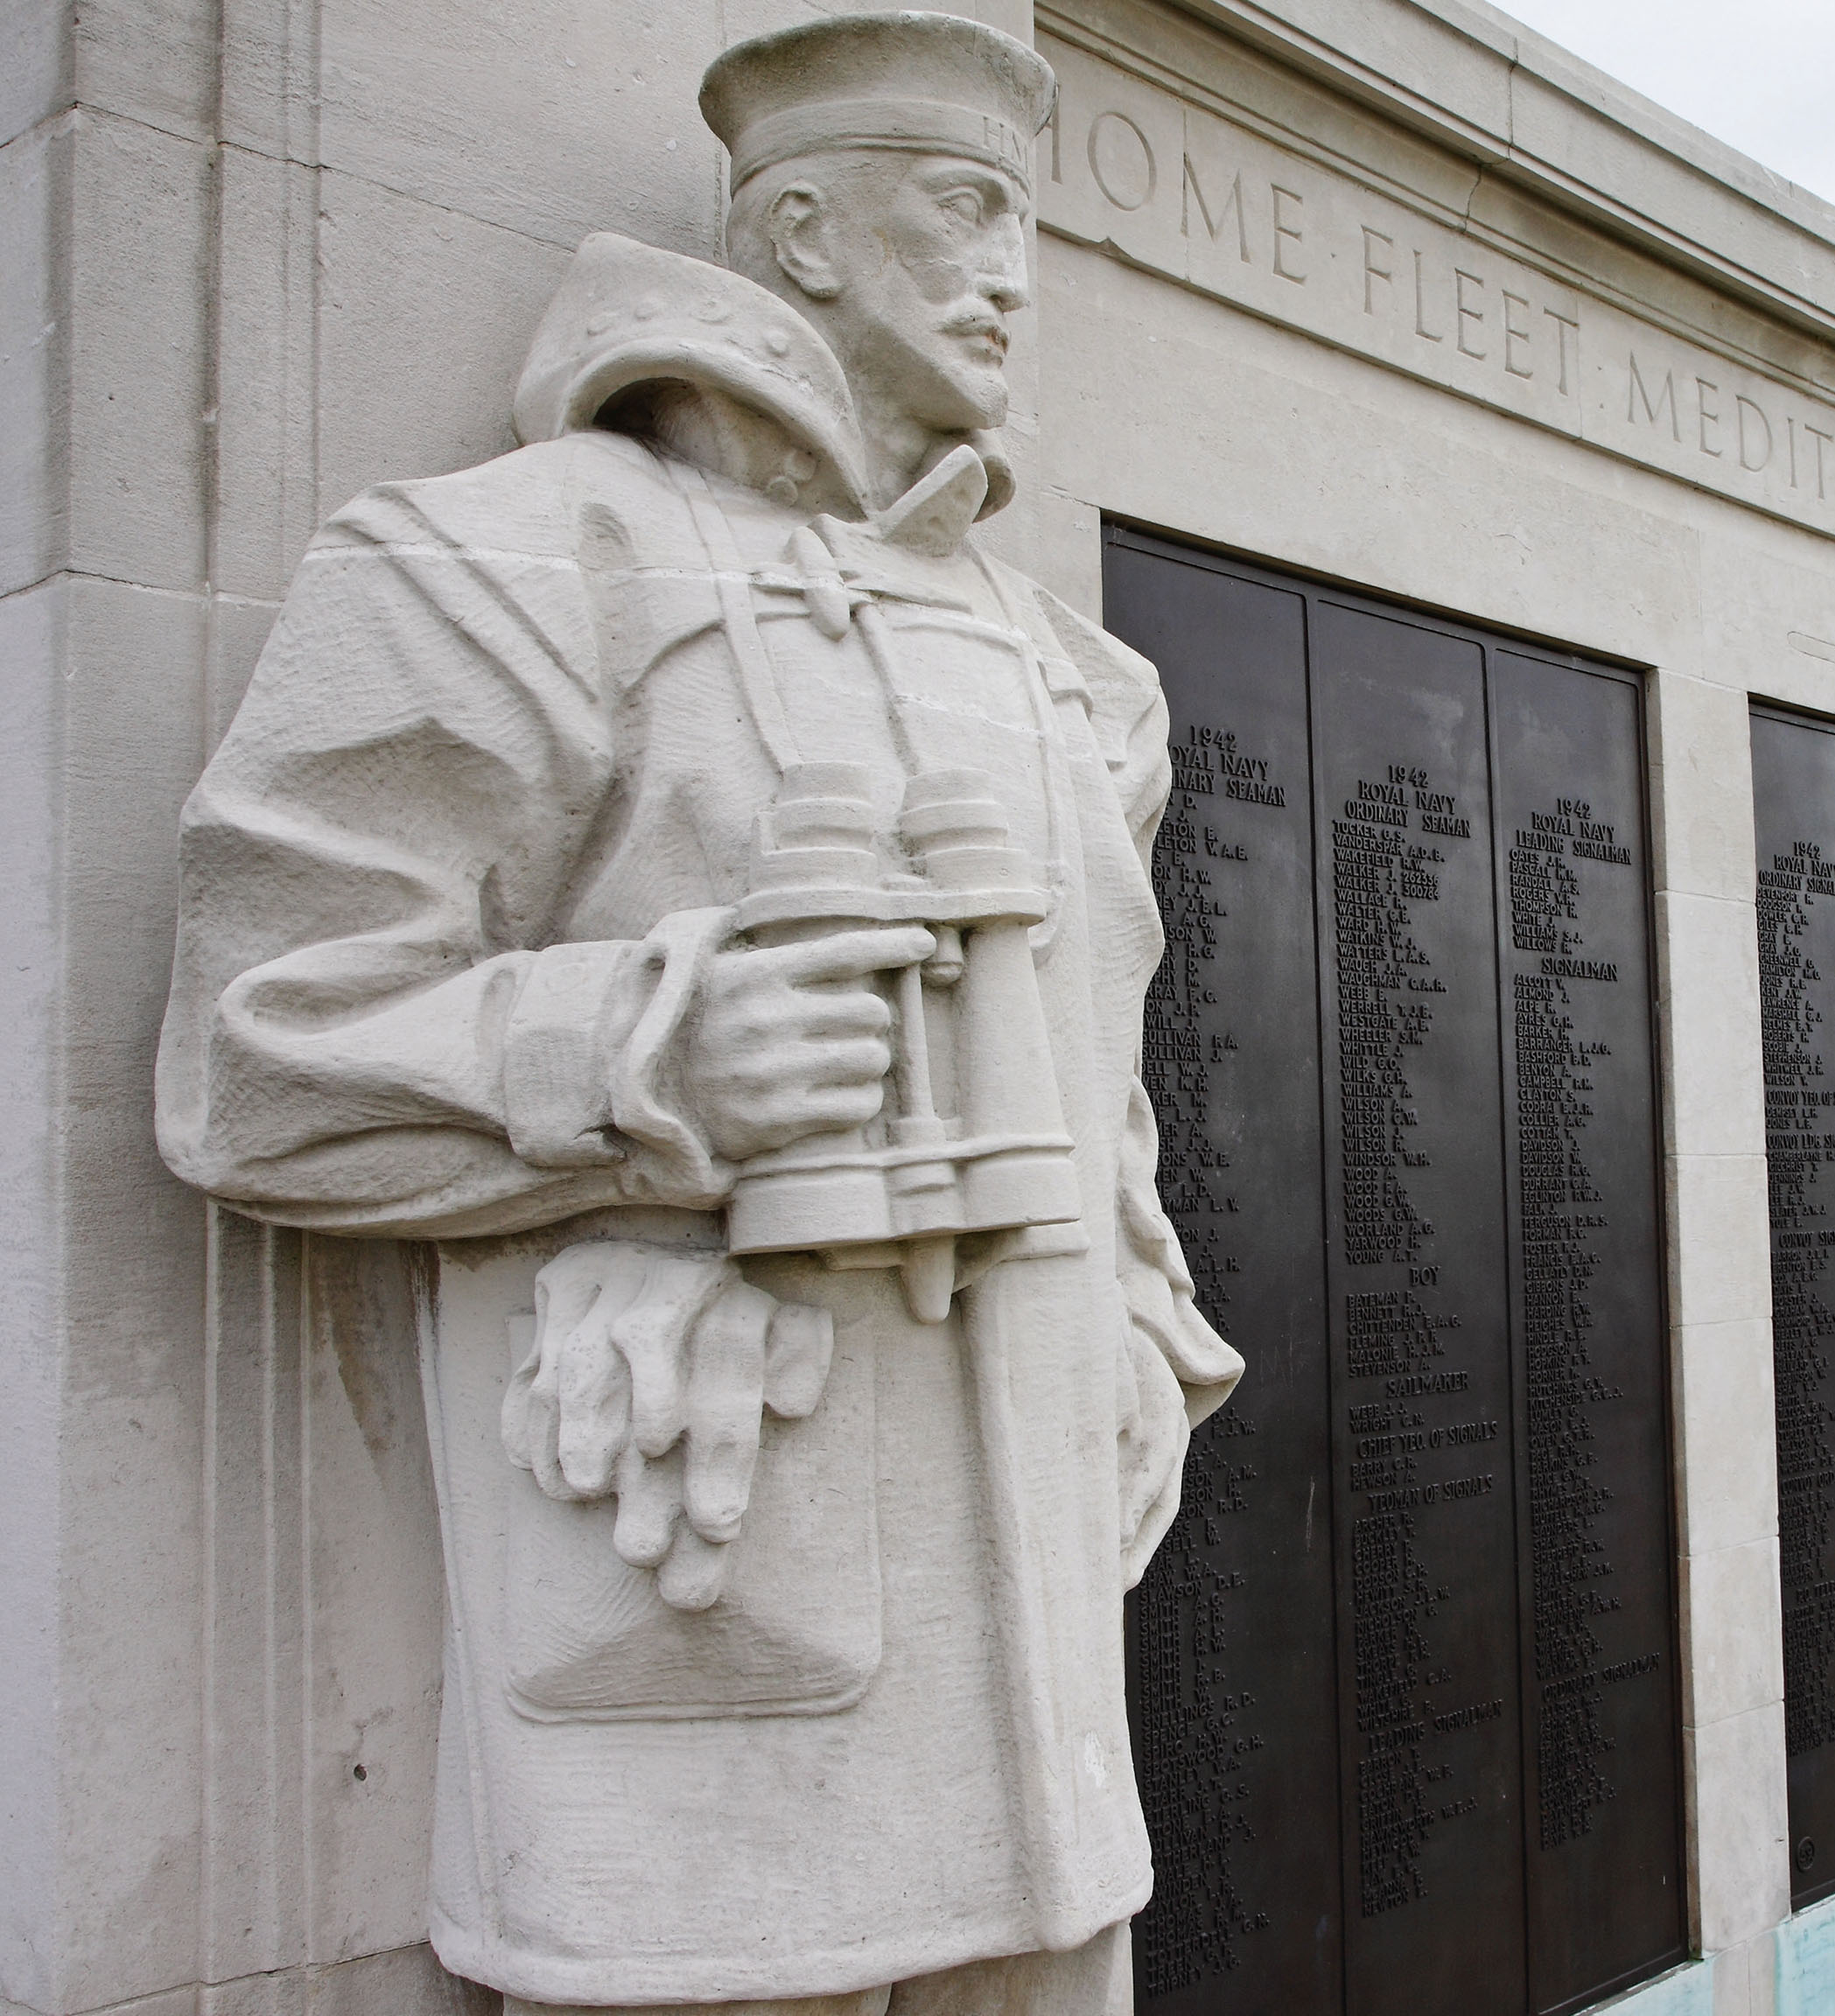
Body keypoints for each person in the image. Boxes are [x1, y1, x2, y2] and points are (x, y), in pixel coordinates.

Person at [154, 15, 1239, 2013]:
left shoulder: (1077, 677)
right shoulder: (505, 564)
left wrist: (1146, 1341)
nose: (1015, 275)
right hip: (698, 1663)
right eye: (965, 213)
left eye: (1026, 225)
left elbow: (1113, 1091)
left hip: (1051, 1738)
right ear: (803, 234)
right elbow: (254, 1057)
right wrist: (654, 1059)